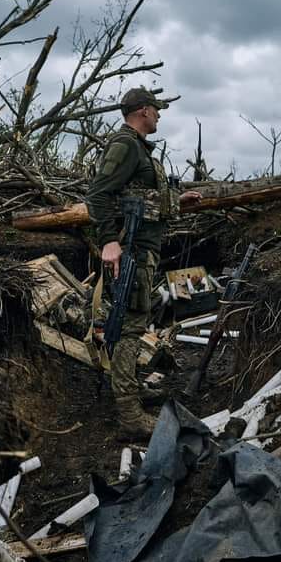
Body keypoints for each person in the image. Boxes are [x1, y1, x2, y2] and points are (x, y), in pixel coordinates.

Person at [85, 87, 203, 439]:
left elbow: (135, 196)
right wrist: (108, 241)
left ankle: (130, 392)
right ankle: (129, 416)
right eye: (156, 109)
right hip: (130, 250)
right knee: (129, 327)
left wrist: (175, 200)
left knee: (133, 321)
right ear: (142, 111)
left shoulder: (137, 148)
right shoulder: (125, 145)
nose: (159, 116)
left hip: (141, 249)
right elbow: (98, 194)